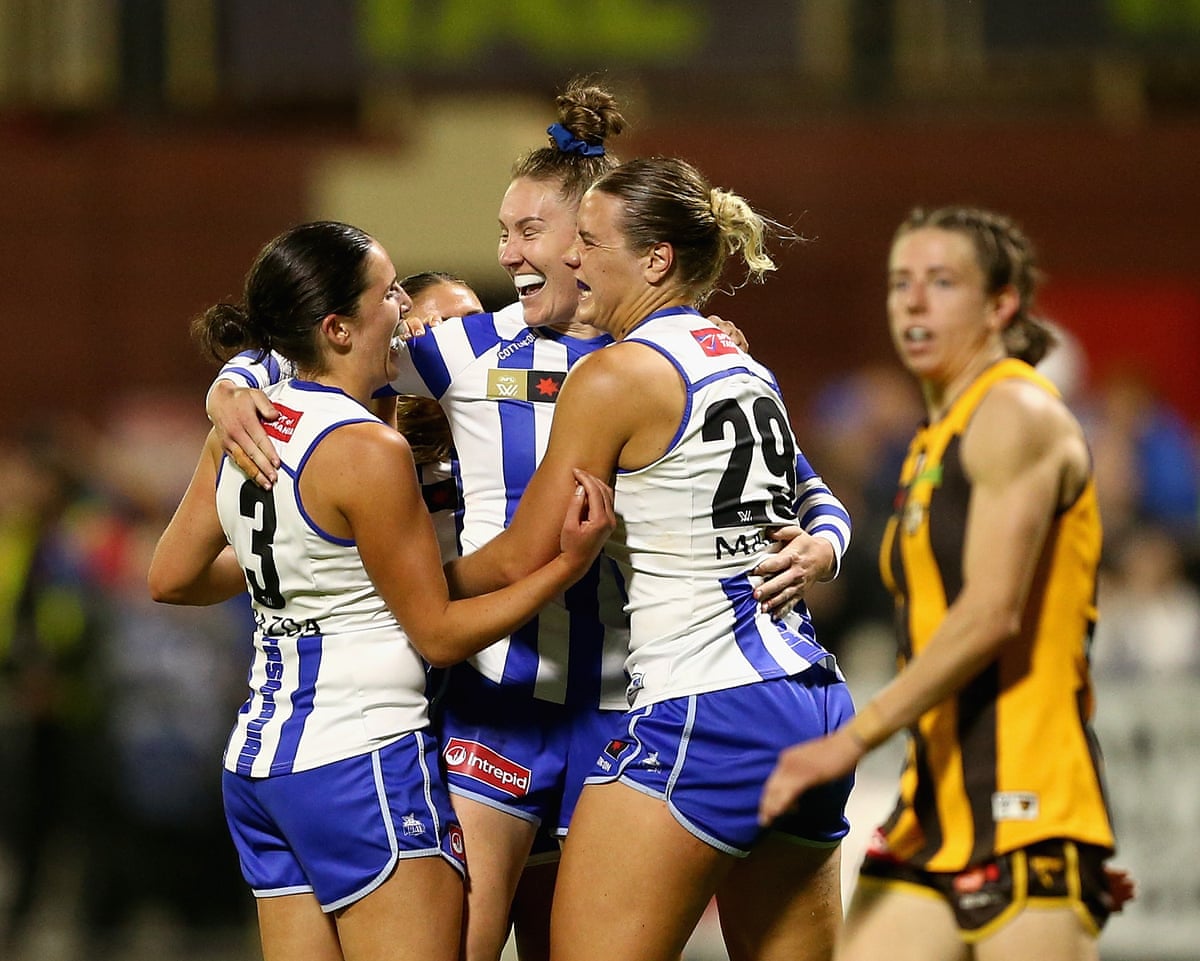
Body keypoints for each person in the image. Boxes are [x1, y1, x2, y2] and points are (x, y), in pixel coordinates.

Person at [204, 80, 826, 961]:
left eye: (531, 232)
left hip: (631, 707)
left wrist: (825, 542)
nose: (511, 253)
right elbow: (317, 339)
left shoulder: (658, 355)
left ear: (589, 243)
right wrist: (229, 379)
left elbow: (807, 485)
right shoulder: (471, 347)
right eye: (504, 233)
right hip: (498, 705)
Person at [146, 220, 614, 961]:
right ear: (336, 327)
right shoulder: (368, 448)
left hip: (262, 765)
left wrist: (322, 560)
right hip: (362, 757)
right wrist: (566, 567)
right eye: (388, 292)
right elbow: (437, 633)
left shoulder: (244, 425)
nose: (405, 307)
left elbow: (170, 576)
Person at [443, 156, 855, 961]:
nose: (570, 259)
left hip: (705, 709)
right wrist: (827, 547)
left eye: (588, 242)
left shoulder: (616, 374)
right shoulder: (744, 364)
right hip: (811, 705)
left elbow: (525, 553)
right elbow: (819, 498)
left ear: (656, 259)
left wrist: (398, 593)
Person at [759, 206, 1122, 961]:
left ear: (1001, 306)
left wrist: (849, 739)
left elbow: (991, 614)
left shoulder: (1015, 411)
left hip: (1026, 801)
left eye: (941, 282)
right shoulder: (934, 439)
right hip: (935, 804)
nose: (912, 302)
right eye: (900, 283)